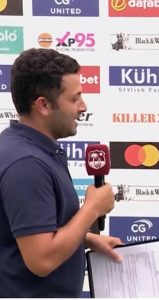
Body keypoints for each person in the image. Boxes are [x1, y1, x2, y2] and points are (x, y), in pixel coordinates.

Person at [0, 48, 122, 297]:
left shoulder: (32, 149)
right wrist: (92, 209)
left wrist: (87, 240)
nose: (83, 106)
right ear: (43, 105)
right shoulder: (27, 164)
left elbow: (30, 232)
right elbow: (41, 259)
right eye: (74, 98)